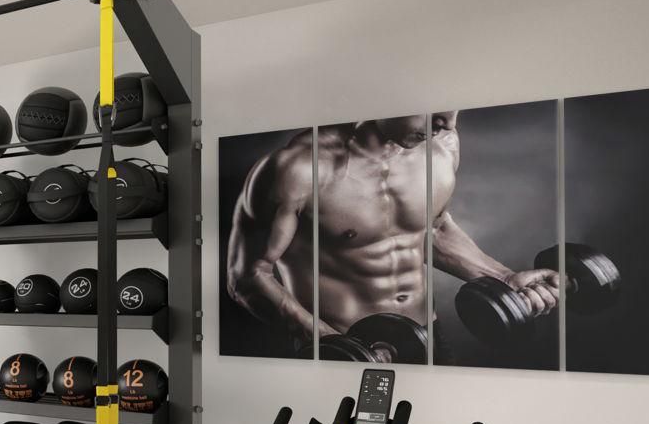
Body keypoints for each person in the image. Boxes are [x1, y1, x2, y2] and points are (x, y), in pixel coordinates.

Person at [225, 112, 559, 351]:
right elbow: (248, 277)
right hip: (340, 342)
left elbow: (433, 229)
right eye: (430, 106)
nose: (447, 122)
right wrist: (331, 344)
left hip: (425, 338)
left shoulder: (442, 146)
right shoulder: (299, 168)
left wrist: (501, 276)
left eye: (452, 108)